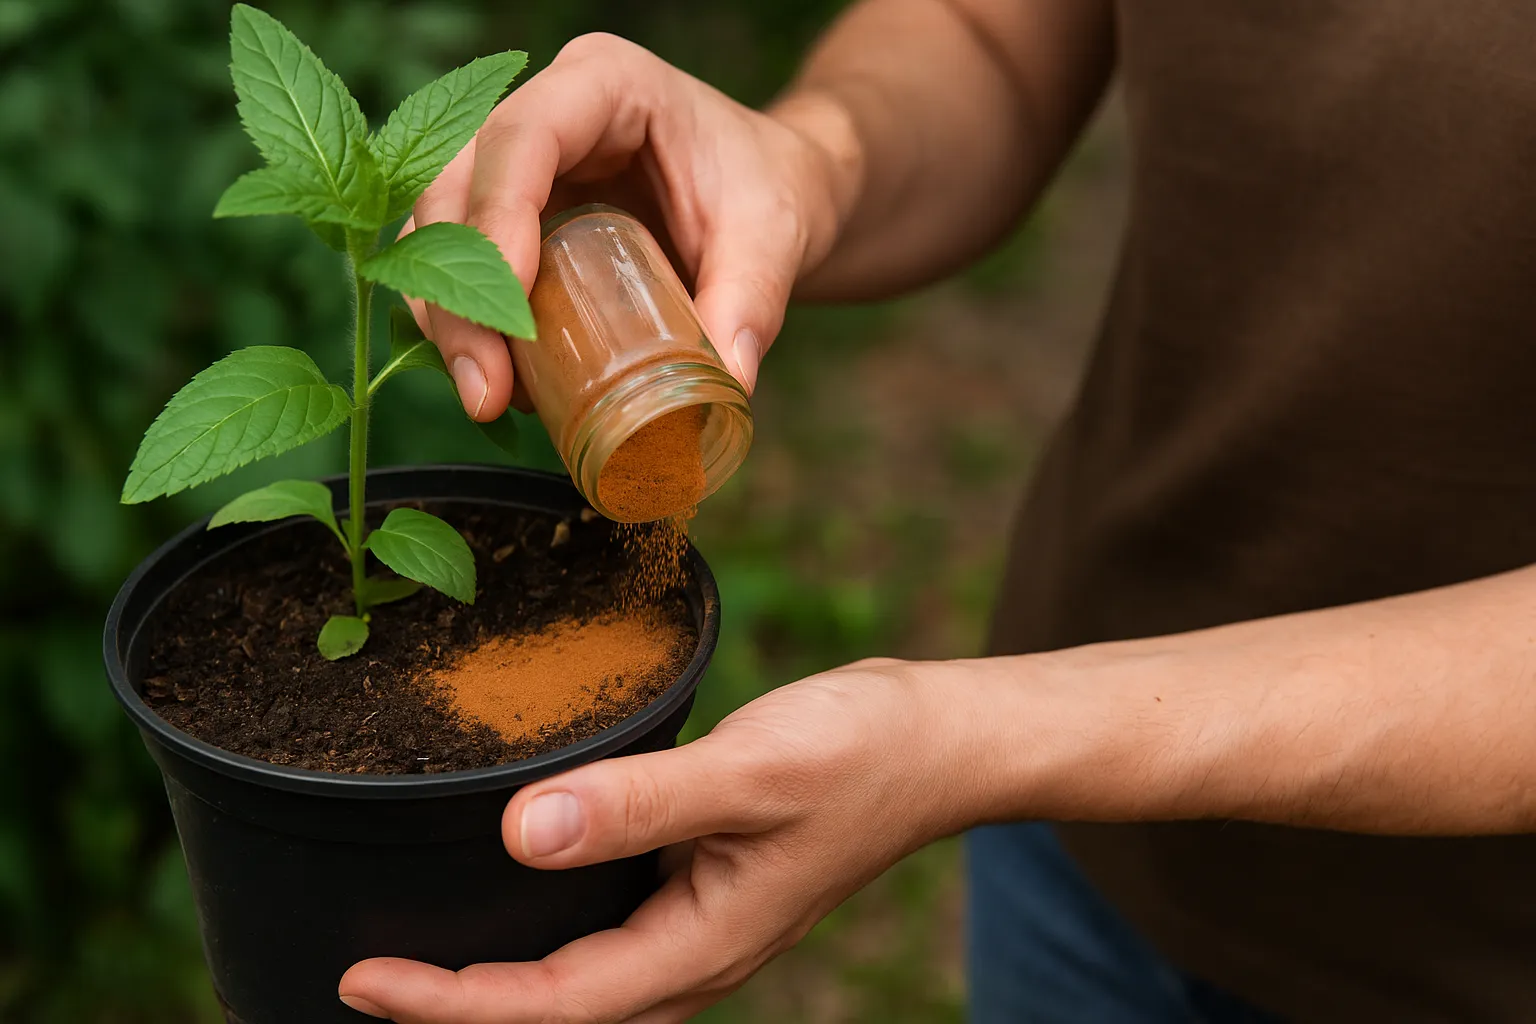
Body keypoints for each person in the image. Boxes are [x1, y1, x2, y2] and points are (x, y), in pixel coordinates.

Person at [338, 1, 1536, 1021]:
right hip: (1084, 854)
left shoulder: (1004, 738)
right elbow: (993, 36)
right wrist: (809, 158)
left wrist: (976, 741)